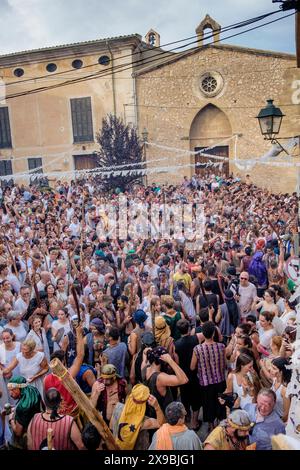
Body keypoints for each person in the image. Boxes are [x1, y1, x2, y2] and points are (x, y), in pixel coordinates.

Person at [190, 321, 226, 431]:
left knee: (208, 404)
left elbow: (192, 367)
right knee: (220, 404)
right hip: (220, 381)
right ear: (213, 334)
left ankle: (211, 426)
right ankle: (221, 426)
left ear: (203, 334)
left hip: (205, 383)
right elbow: (224, 364)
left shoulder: (197, 349)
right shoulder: (221, 346)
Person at [110, 384, 165, 450]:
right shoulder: (143, 422)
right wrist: (157, 407)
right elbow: (161, 424)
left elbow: (111, 427)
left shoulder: (117, 407)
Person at [142, 347, 188, 414]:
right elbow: (184, 380)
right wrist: (170, 360)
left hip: (151, 411)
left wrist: (146, 353)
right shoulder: (160, 377)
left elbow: (144, 357)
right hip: (164, 415)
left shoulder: (144, 368)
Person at [174, 319, 201, 430]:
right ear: (189, 329)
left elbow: (176, 362)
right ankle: (194, 422)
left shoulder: (176, 344)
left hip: (183, 375)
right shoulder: (196, 338)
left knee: (185, 399)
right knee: (196, 399)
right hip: (194, 374)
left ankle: (188, 419)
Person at [7, 376, 43, 449]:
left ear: (20, 388)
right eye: (10, 390)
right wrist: (16, 407)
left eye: (13, 390)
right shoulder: (33, 390)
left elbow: (18, 432)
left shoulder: (22, 407)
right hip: (39, 431)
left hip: (26, 440)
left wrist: (11, 419)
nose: (11, 394)